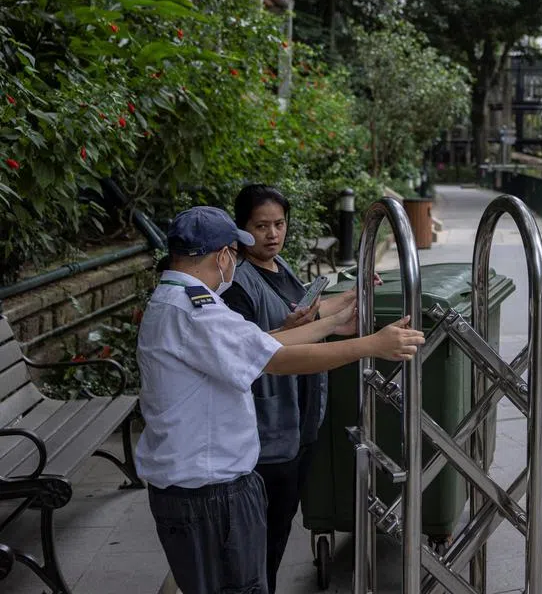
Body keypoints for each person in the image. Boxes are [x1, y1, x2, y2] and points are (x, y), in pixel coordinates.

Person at [135, 206, 423, 594]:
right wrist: (371, 345)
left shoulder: (178, 300)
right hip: (209, 493)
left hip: (198, 486)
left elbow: (259, 344)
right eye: (235, 254)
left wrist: (333, 324)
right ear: (223, 256)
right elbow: (277, 360)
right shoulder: (195, 312)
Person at [219, 184, 355, 593]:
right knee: (264, 533)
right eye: (261, 226)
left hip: (301, 420)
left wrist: (351, 296)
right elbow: (244, 349)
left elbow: (305, 312)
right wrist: (291, 329)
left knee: (280, 526)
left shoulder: (280, 267)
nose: (272, 234)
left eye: (279, 224)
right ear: (242, 231)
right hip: (267, 429)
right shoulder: (239, 284)